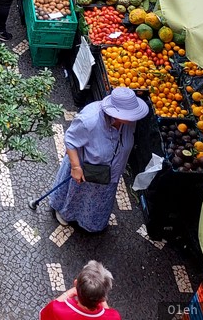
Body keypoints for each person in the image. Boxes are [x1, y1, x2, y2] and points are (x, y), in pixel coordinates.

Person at [48, 87, 148, 231]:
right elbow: (70, 140)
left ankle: (91, 224)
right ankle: (65, 214)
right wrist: (76, 168)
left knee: (98, 201)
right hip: (85, 170)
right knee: (76, 196)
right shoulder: (90, 120)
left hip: (109, 174)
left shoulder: (128, 121)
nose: (131, 118)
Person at [39, 261, 121, 320]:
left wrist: (69, 292)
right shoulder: (114, 317)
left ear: (75, 283)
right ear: (103, 298)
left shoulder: (56, 309)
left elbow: (43, 314)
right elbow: (108, 313)